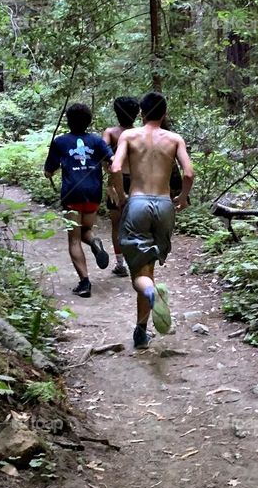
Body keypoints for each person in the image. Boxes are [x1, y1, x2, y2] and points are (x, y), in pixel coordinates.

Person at [110, 91, 194, 349]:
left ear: (142, 113)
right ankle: (140, 332)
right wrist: (181, 198)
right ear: (164, 113)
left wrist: (122, 197)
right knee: (149, 268)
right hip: (164, 204)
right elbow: (188, 173)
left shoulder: (129, 135)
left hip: (138, 202)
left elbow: (115, 167)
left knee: (140, 273)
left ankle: (151, 294)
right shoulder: (174, 138)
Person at [44, 102, 113, 298]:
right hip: (93, 192)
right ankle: (94, 241)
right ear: (89, 120)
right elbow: (111, 160)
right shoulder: (97, 140)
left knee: (74, 239)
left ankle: (84, 282)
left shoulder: (60, 142)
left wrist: (50, 172)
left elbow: (49, 170)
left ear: (68, 120)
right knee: (86, 231)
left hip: (71, 194)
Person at [101, 96, 140, 277]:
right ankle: (138, 261)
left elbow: (102, 154)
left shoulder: (110, 133)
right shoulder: (140, 133)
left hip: (115, 182)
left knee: (117, 224)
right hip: (138, 181)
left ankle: (120, 264)